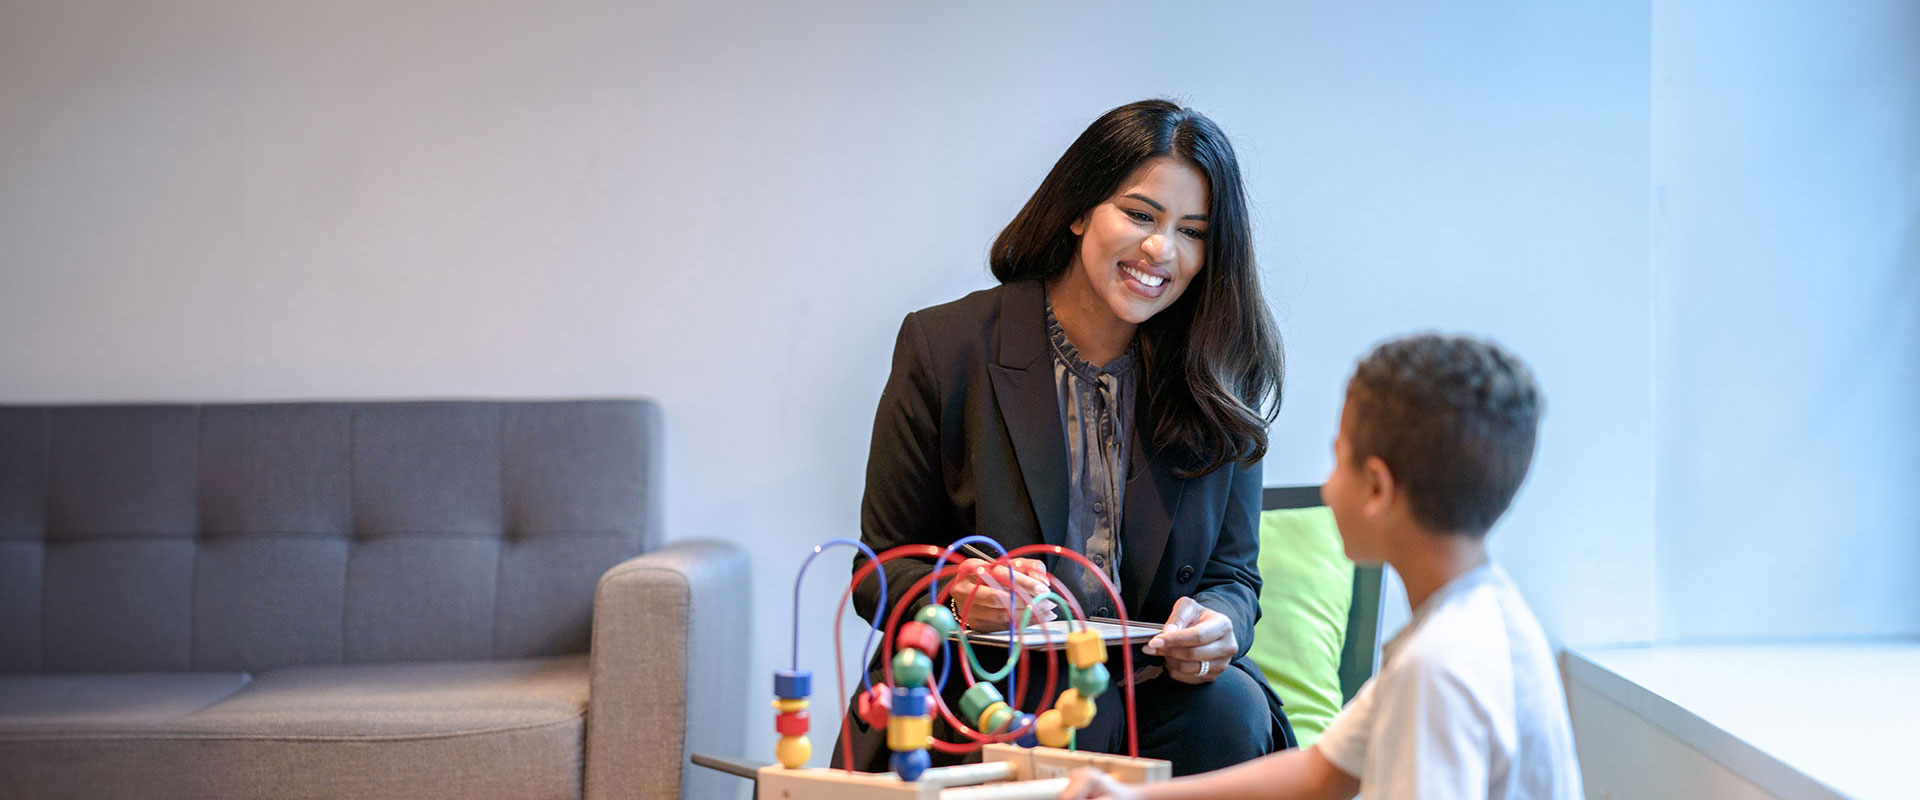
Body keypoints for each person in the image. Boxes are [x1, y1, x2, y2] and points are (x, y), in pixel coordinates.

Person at [835, 99, 1291, 775]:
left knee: (1230, 712)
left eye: (1192, 231)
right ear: (1080, 209)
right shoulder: (945, 347)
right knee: (1038, 725)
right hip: (991, 677)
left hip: (1156, 685)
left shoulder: (1217, 370)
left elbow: (1233, 576)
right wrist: (962, 594)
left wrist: (1220, 624)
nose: (1161, 250)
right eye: (1140, 214)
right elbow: (880, 572)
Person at [1059, 334, 1584, 799]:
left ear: (1376, 488)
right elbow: (1321, 773)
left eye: (1338, 460)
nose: (1328, 488)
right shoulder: (1480, 619)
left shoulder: (1440, 668)